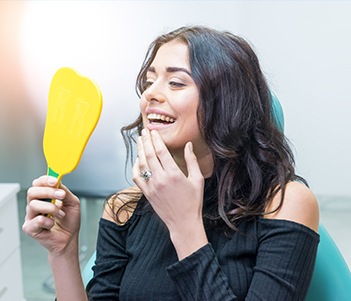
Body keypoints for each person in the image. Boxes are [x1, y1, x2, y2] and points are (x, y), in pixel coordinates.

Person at [23, 26, 320, 301]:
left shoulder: (283, 203)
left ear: (227, 103)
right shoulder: (123, 208)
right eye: (150, 81)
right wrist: (63, 252)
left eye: (176, 82)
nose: (150, 93)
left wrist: (184, 227)